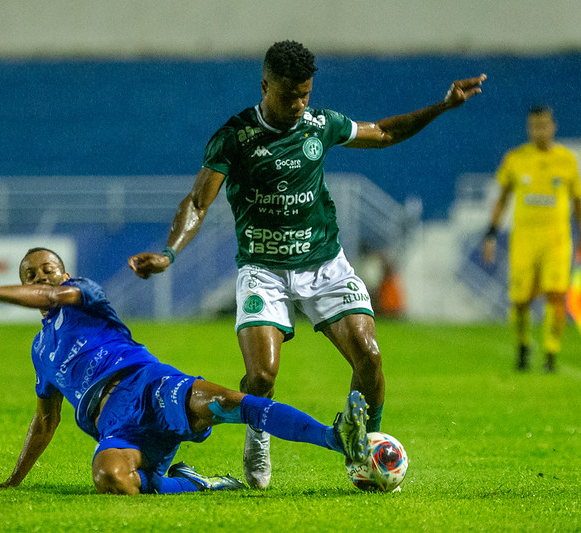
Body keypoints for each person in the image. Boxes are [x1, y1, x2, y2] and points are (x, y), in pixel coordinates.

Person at [128, 40, 485, 489]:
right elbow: (199, 201)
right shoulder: (235, 137)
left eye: (305, 94)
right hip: (263, 269)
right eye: (288, 95)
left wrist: (443, 105)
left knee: (370, 357)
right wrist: (170, 252)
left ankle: (362, 450)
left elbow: (385, 133)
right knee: (261, 374)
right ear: (264, 86)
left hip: (324, 265)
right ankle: (257, 436)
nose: (298, 104)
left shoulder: (321, 125)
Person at [0, 247, 371, 495]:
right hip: (116, 426)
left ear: (63, 273)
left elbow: (55, 299)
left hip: (148, 384)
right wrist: (13, 481)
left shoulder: (84, 292)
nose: (41, 277)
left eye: (47, 269)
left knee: (228, 403)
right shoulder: (40, 350)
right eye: (30, 275)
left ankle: (337, 438)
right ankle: (196, 484)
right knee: (110, 479)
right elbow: (46, 420)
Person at [483, 106, 581, 373]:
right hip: (524, 240)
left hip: (557, 240)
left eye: (544, 125)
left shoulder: (567, 161)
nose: (539, 131)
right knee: (521, 299)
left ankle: (551, 352)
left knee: (556, 295)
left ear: (553, 127)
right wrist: (491, 234)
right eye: (534, 126)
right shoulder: (515, 159)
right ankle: (523, 346)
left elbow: (578, 204)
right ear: (529, 129)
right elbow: (501, 200)